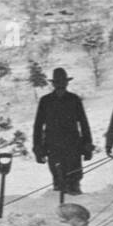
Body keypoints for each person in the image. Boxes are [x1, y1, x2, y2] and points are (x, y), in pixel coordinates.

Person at [33, 67, 94, 199]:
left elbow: (84, 124)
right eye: (58, 82)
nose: (61, 84)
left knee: (74, 182)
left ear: (67, 83)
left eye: (63, 82)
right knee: (58, 182)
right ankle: (60, 213)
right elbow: (38, 127)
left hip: (73, 148)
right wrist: (38, 149)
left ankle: (76, 206)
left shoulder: (74, 99)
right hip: (53, 148)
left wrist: (87, 146)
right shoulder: (45, 101)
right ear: (53, 84)